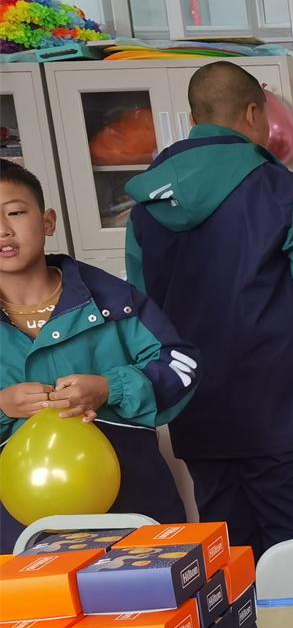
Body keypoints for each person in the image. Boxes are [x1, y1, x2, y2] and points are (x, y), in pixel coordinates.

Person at [126, 62, 293, 556]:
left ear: (193, 118)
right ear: (253, 113)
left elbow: (143, 311)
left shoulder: (145, 206)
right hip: (286, 406)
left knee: (230, 553)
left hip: (199, 407)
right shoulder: (280, 188)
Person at [1, 160, 196, 548]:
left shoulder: (114, 299)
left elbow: (182, 366)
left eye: (15, 212)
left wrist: (111, 388)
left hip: (134, 513)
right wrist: (2, 406)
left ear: (48, 221)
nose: (3, 230)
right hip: (18, 535)